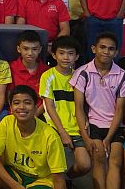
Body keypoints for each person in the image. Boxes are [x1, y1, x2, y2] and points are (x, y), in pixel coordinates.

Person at [70, 32, 125, 189]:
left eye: (111, 49)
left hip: (114, 126)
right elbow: (78, 107)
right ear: (93, 49)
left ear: (116, 52)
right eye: (102, 47)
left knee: (116, 160)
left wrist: (109, 138)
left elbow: (119, 110)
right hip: (94, 125)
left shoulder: (123, 76)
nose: (106, 51)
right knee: (99, 157)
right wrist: (85, 137)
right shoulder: (82, 73)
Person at [0, 85, 68, 189]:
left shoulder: (51, 136)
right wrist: (15, 186)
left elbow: (59, 179)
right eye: (16, 103)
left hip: (40, 180)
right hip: (15, 173)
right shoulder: (7, 122)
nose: (21, 107)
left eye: (27, 103)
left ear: (35, 108)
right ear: (11, 107)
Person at [39, 36, 91, 183]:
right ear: (54, 55)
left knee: (85, 165)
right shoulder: (48, 76)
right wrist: (62, 132)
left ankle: (66, 180)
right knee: (57, 166)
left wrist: (85, 120)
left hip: (77, 129)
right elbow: (49, 107)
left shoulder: (80, 76)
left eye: (70, 53)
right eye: (61, 53)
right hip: (55, 129)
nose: (66, 57)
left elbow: (84, 104)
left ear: (77, 56)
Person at [9, 30, 49, 115]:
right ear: (19, 49)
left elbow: (47, 99)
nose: (30, 53)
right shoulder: (10, 67)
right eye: (26, 49)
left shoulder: (47, 71)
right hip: (15, 113)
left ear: (40, 49)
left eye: (34, 49)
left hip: (39, 114)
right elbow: (8, 95)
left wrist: (34, 116)